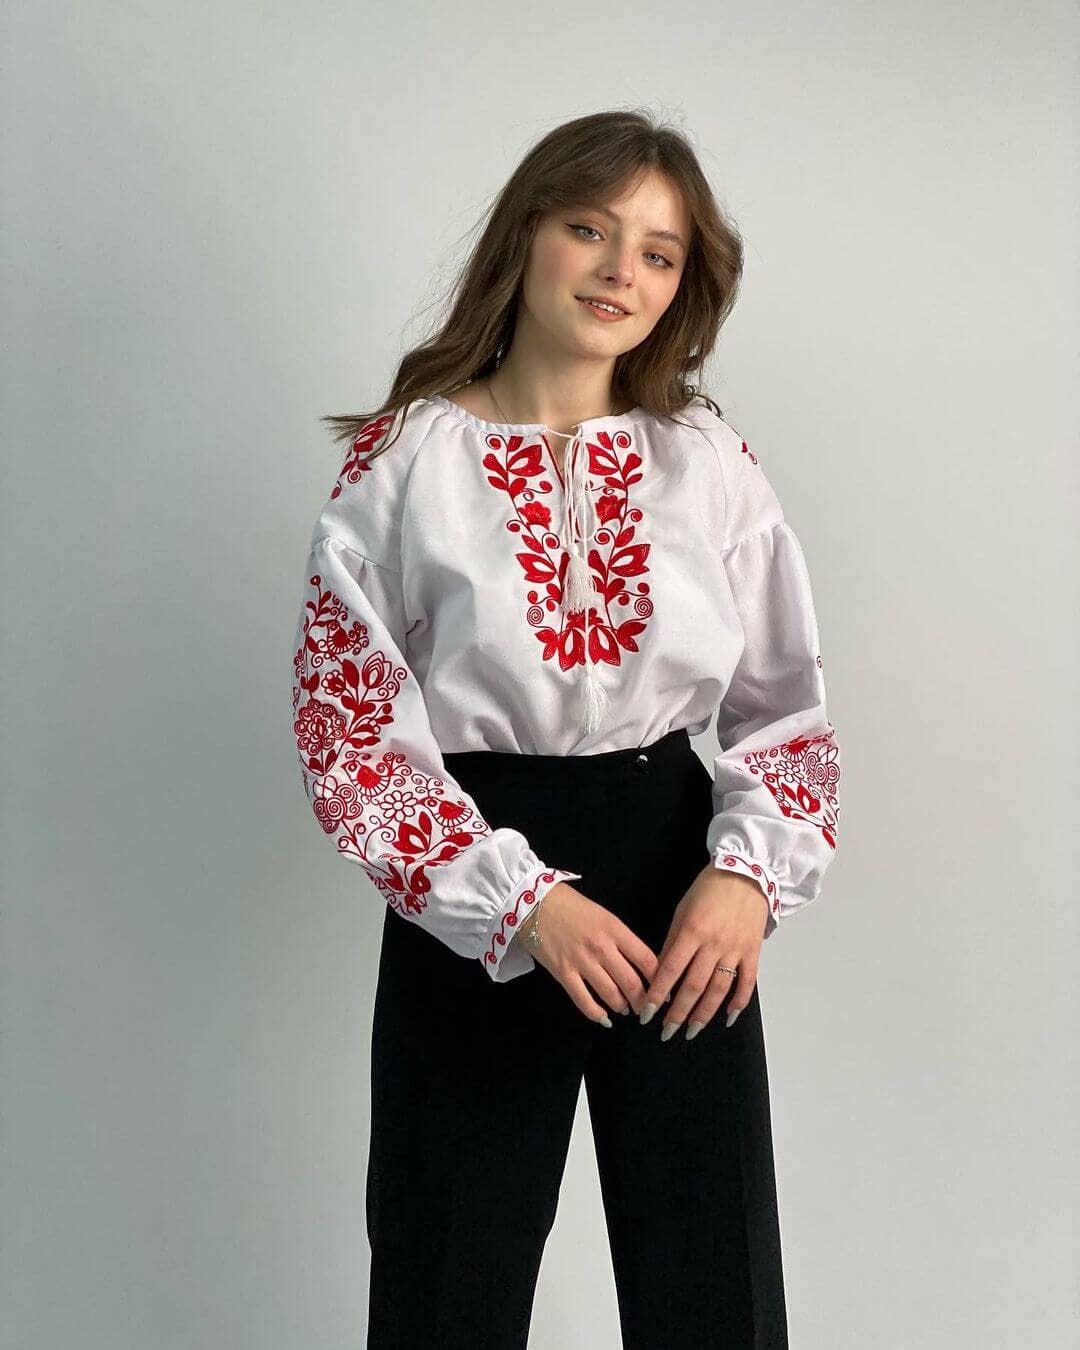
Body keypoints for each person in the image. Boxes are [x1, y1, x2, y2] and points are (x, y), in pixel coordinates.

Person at [289, 109, 841, 1350]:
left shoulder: (706, 461)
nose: (619, 270)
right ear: (526, 235)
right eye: (591, 229)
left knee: (711, 1267)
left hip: (679, 868)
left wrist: (747, 881)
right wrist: (519, 903)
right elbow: (350, 734)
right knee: (449, 1262)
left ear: (685, 285)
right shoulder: (404, 463)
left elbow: (785, 704)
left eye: (659, 252)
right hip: (472, 878)